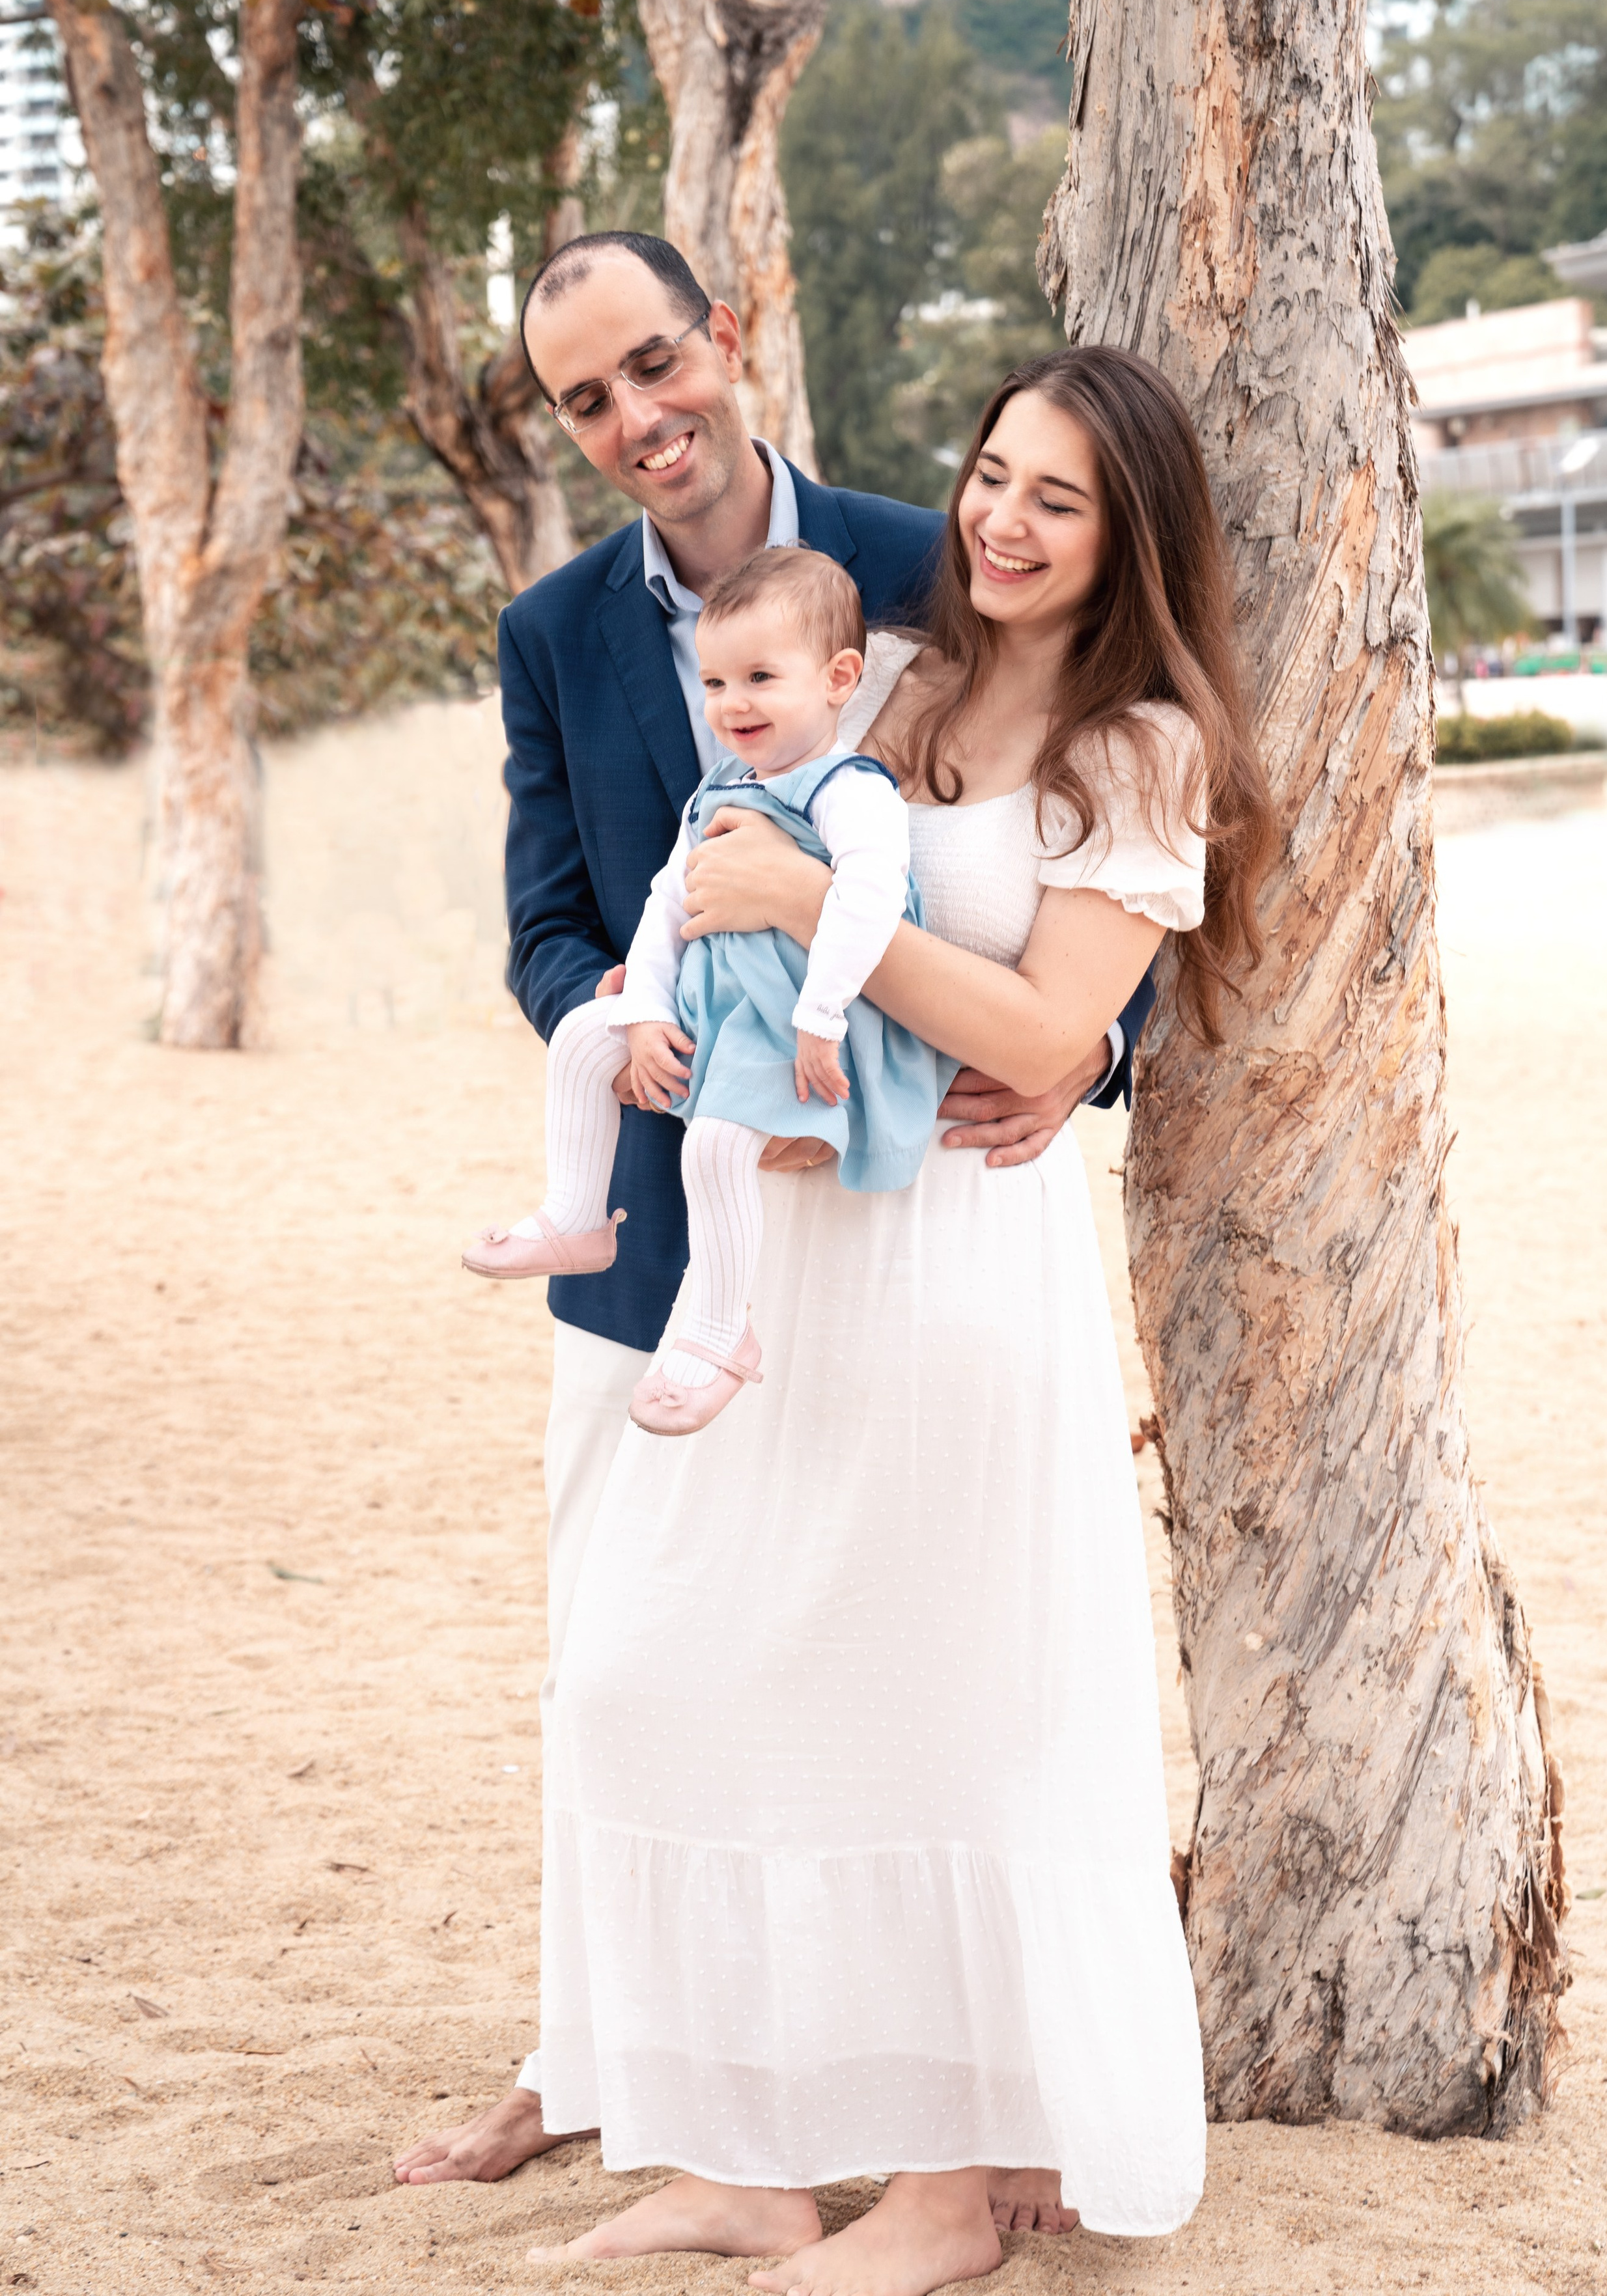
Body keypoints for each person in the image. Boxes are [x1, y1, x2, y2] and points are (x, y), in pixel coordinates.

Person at [394, 233, 1154, 2235]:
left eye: (657, 362)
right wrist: (608, 1035)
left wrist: (1089, 1060)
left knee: (895, 1680)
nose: (640, 417)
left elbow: (1068, 853)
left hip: (914, 1213)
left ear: (723, 338)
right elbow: (549, 912)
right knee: (633, 1670)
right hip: (669, 1233)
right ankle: (640, 2085)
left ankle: (926, 2131)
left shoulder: (938, 564)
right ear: (561, 426)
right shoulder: (554, 629)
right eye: (586, 397)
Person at [507, 342, 1276, 2291]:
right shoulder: (906, 677)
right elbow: (773, 910)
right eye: (994, 476)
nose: (1004, 521)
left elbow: (1047, 1033)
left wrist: (800, 908)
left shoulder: (1142, 749)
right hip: (801, 1252)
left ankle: (943, 2197)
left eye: (1059, 499)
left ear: (1130, 542)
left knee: (943, 1714)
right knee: (655, 1665)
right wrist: (711, 1027)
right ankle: (738, 2157)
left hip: (957, 1279)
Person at [462, 543, 950, 1439]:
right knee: (584, 1037)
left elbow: (872, 902)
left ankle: (723, 1331)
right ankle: (577, 1216)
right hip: (719, 996)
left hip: (811, 1012)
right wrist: (645, 1012)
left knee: (717, 1145)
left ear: (841, 677)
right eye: (716, 682)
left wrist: (819, 1016)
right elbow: (666, 901)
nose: (733, 705)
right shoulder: (722, 785)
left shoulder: (851, 790)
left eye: (761, 678)